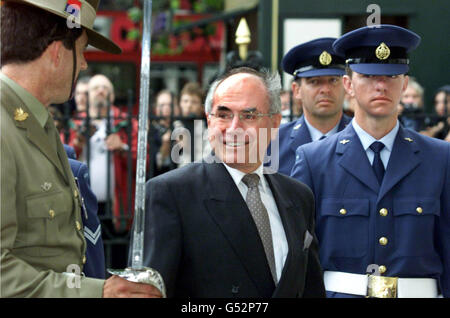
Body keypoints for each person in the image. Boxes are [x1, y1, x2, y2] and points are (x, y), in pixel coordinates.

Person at [0, 0, 161, 297]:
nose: (85, 64)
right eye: (83, 50)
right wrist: (99, 293)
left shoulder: (35, 122)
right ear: (58, 53)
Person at [134, 67, 325, 298]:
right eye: (223, 115)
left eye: (249, 116)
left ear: (274, 123)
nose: (234, 129)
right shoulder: (171, 194)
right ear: (209, 120)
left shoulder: (298, 197)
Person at [291, 25, 449, 298]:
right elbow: (298, 255)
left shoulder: (440, 158)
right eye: (368, 76)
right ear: (348, 84)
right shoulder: (314, 160)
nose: (381, 86)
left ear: (405, 83)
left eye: (392, 76)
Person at [271, 38, 351, 176]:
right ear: (297, 90)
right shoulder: (273, 143)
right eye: (314, 82)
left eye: (333, 80)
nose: (325, 89)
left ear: (346, 85)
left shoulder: (365, 139)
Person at [74, 74, 138, 235]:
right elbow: (59, 159)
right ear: (87, 95)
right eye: (96, 88)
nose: (101, 91)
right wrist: (77, 144)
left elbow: (144, 163)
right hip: (80, 206)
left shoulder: (127, 123)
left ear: (113, 96)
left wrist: (122, 148)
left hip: (116, 208)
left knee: (116, 255)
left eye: (106, 88)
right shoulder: (74, 123)